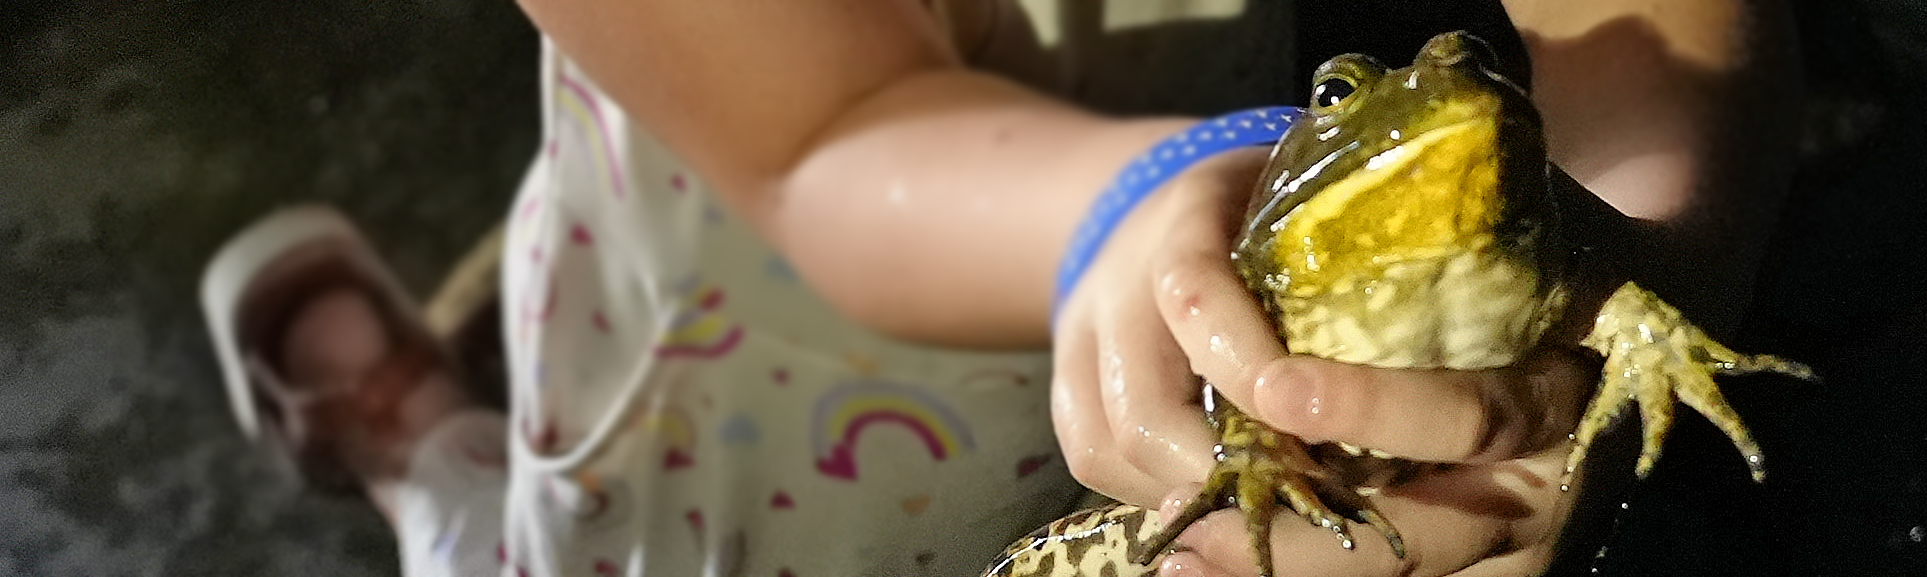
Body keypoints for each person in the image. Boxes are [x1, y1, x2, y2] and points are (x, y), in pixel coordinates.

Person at [201, 0, 1803, 576]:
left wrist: (1623, 280)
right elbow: (813, 140)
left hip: (1116, 386)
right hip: (731, 339)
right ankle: (415, 458)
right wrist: (1143, 195)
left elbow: (1653, 44)